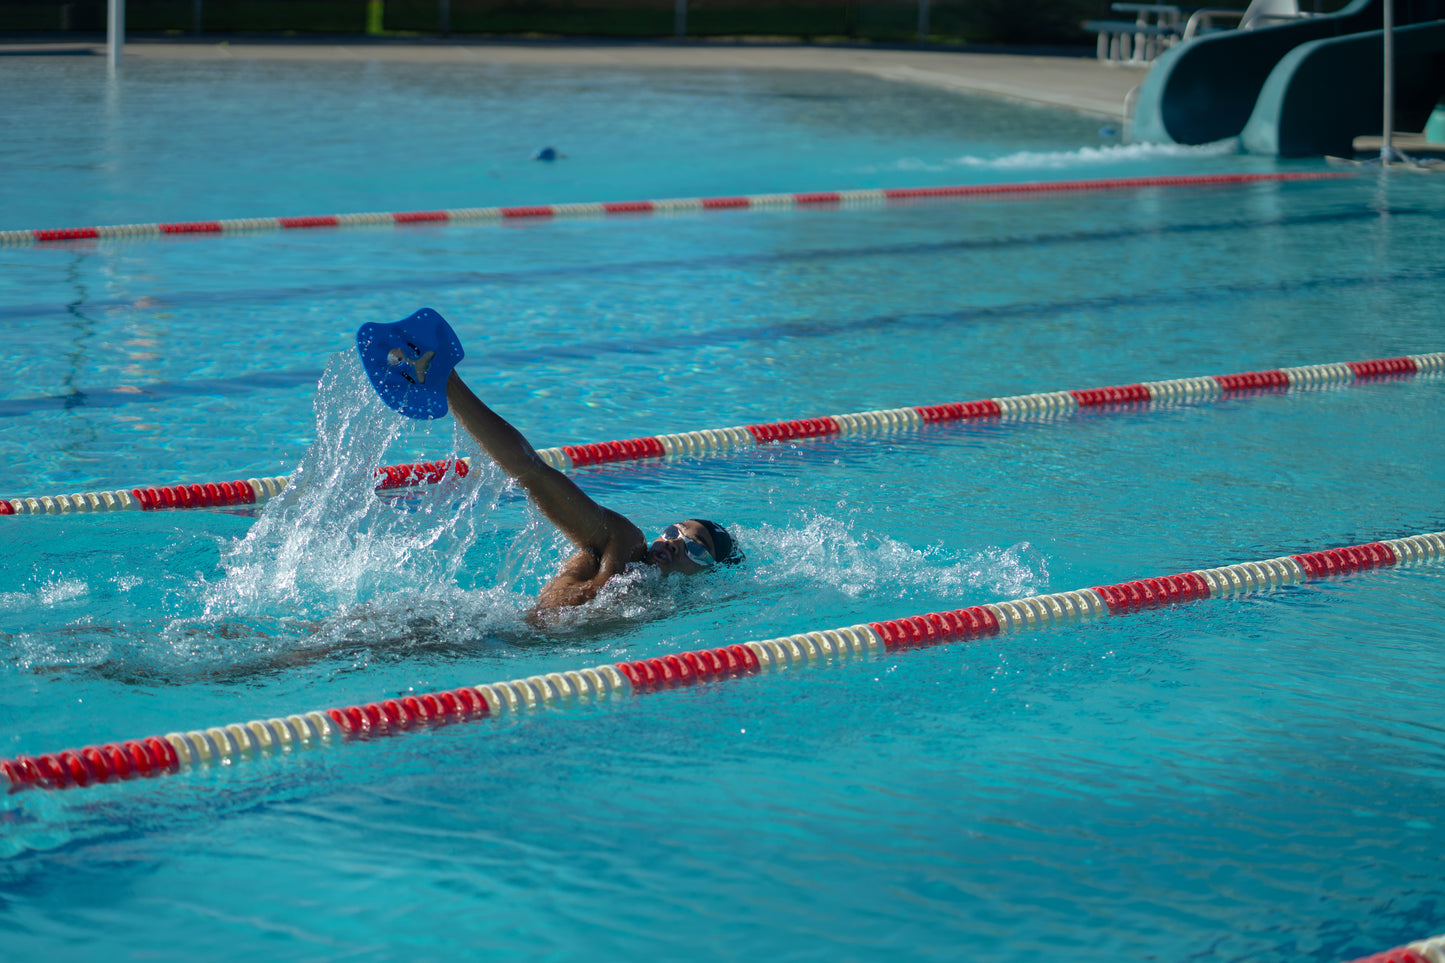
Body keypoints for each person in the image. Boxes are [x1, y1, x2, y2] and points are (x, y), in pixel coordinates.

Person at [444, 371, 740, 612]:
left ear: (709, 575)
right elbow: (533, 472)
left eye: (696, 548)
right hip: (480, 640)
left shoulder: (669, 607)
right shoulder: (623, 543)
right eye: (673, 531)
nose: (674, 543)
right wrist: (449, 383)